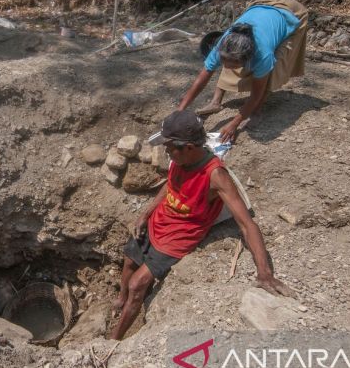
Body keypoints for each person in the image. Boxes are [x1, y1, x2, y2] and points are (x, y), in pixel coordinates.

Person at [109, 110, 294, 341]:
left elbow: (247, 224)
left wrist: (264, 273)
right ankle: (120, 299)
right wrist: (147, 212)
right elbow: (171, 185)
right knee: (129, 260)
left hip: (180, 236)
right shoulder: (180, 158)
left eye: (169, 146)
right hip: (160, 219)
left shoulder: (215, 175)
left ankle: (113, 340)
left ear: (188, 147)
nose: (165, 151)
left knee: (138, 284)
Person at [177, 0, 308, 143]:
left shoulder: (262, 54)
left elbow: (256, 91)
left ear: (247, 58)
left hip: (292, 13)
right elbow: (202, 78)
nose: (226, 67)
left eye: (233, 64)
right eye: (223, 61)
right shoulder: (224, 45)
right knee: (229, 63)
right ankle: (215, 102)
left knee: (273, 68)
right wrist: (179, 111)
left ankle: (257, 111)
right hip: (262, 5)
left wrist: (234, 123)